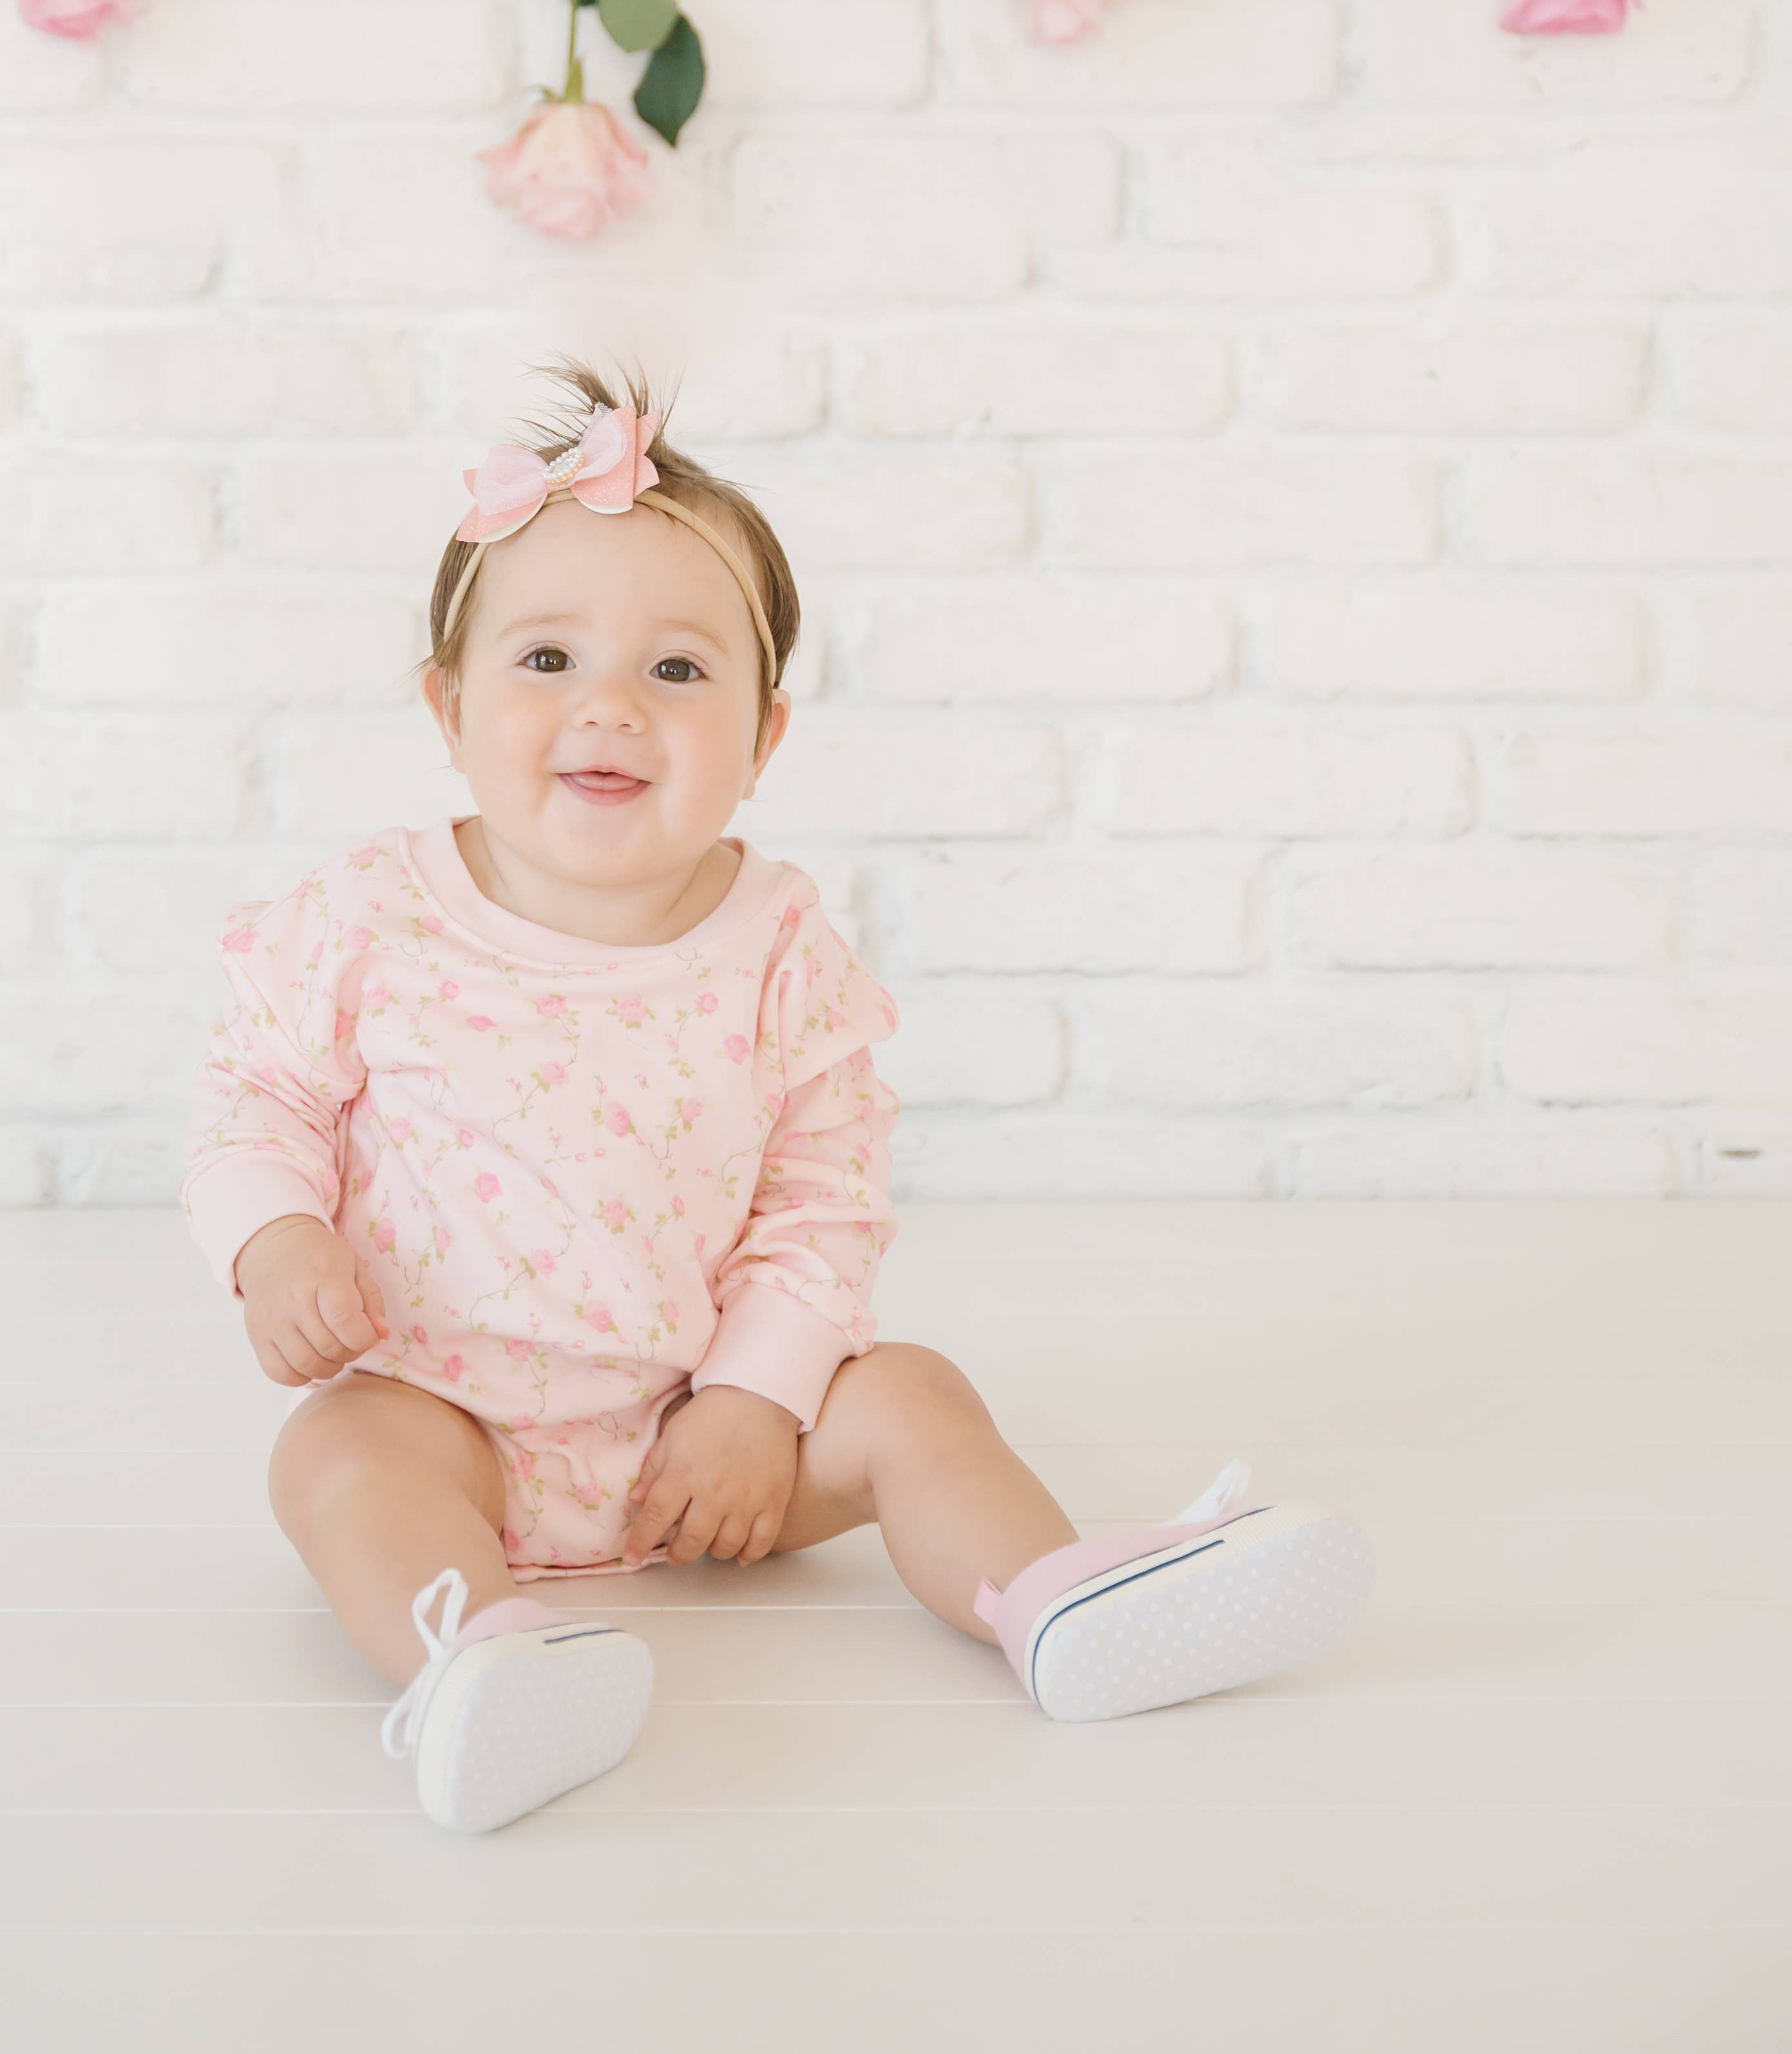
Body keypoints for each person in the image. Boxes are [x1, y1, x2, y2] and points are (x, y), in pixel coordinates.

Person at [178, 360, 1374, 1835]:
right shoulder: (367, 914)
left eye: (677, 671)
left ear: (762, 737)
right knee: (331, 1454)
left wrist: (753, 1398)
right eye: (545, 657)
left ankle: (1056, 1599)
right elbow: (256, 1094)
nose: (610, 705)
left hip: (701, 1439)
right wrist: (275, 1237)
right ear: (448, 704)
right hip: (445, 1413)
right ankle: (479, 1655)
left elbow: (824, 1198)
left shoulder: (779, 948)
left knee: (909, 1392)